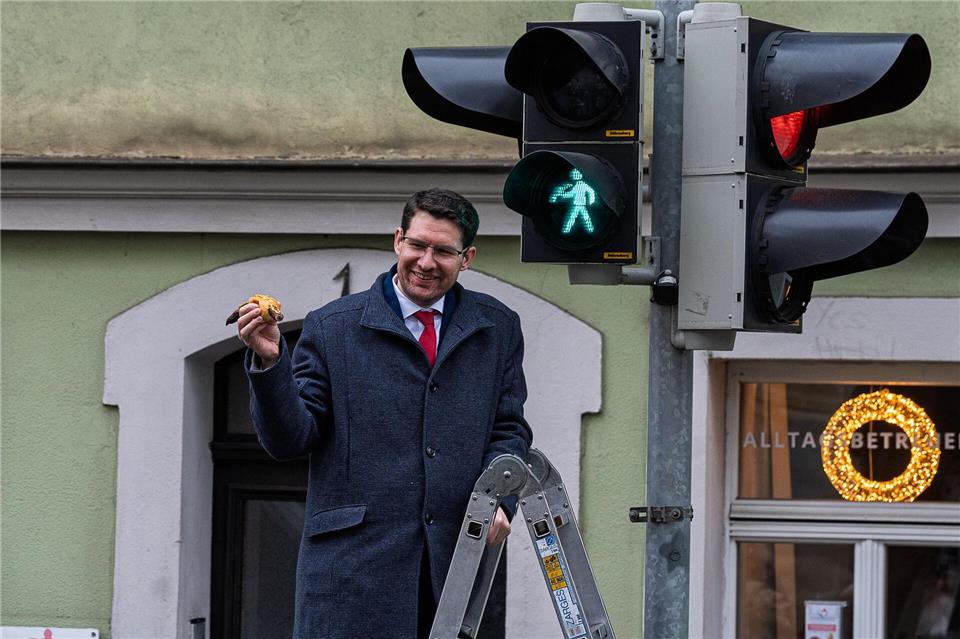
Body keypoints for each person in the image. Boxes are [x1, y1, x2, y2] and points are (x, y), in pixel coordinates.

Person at [235, 188, 533, 638]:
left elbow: (508, 429)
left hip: (458, 567)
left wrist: (499, 497)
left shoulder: (498, 327)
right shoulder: (332, 326)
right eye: (417, 245)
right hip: (352, 576)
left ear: (467, 257)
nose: (426, 262)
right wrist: (272, 362)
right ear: (398, 240)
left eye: (444, 251)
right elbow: (290, 439)